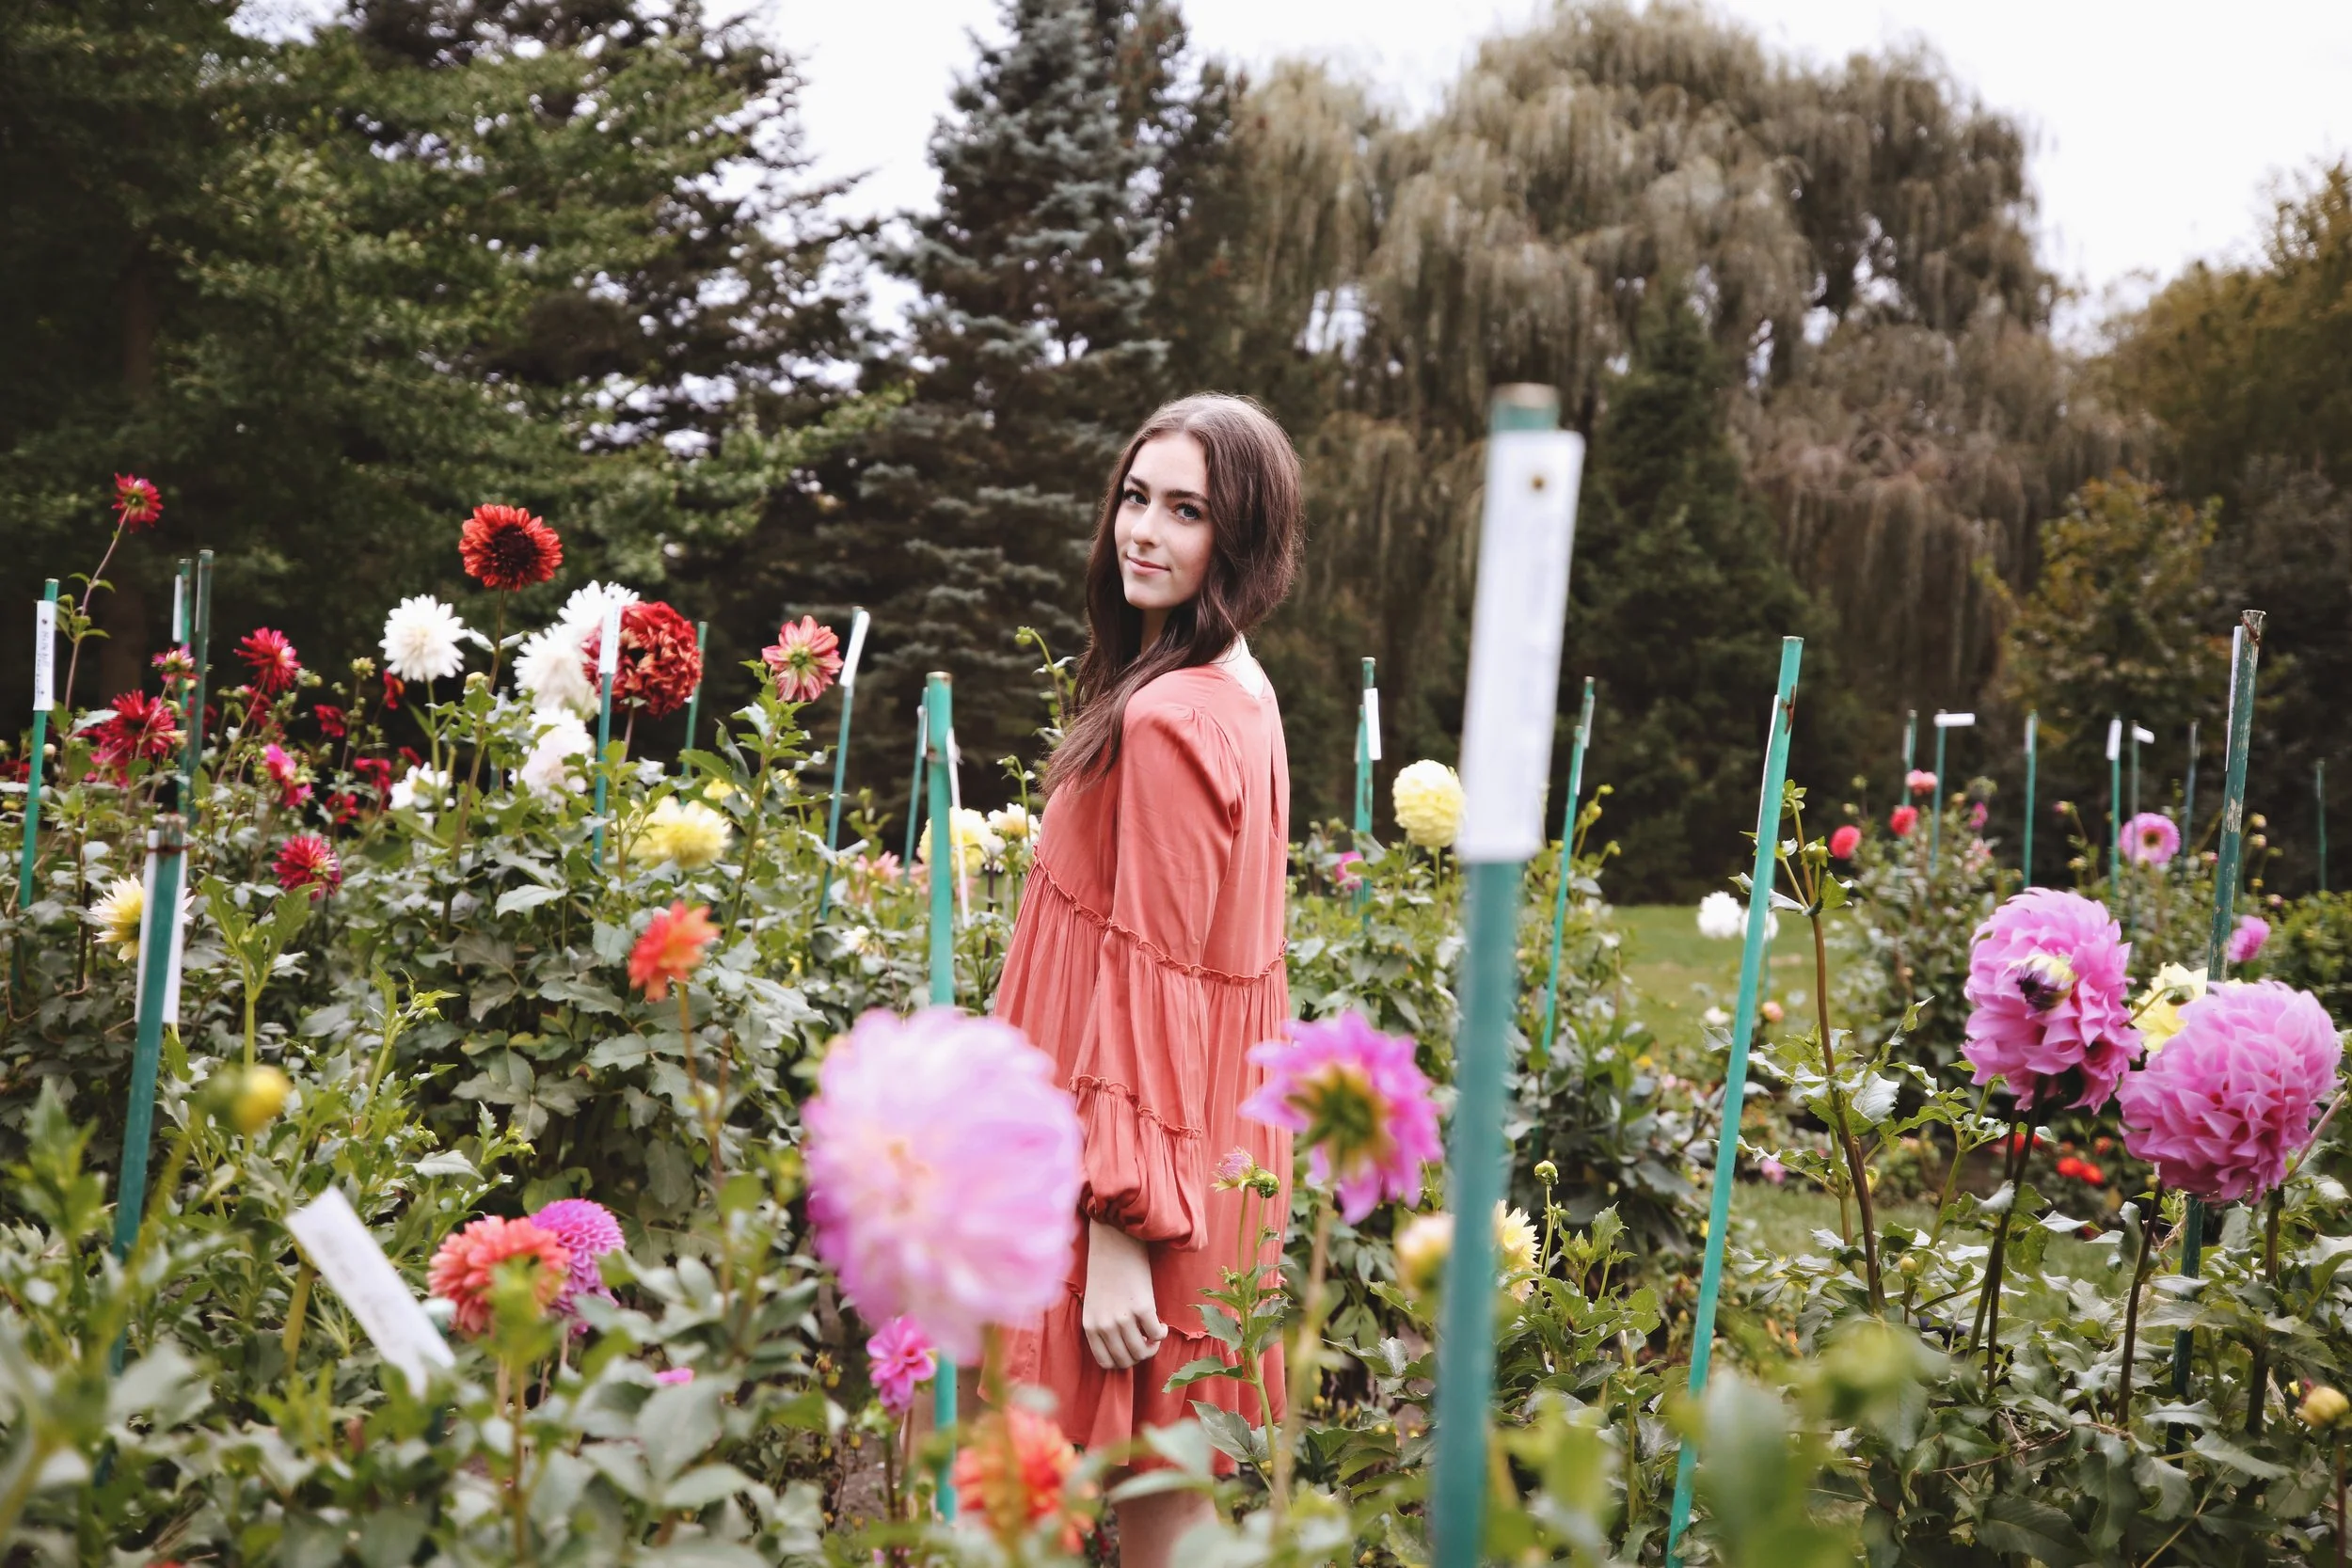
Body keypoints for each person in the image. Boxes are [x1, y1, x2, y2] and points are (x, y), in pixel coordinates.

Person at [992, 394, 1303, 1566]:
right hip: (1200, 1140)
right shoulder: (1236, 688)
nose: (1143, 531)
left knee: (1037, 1490)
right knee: (1166, 1492)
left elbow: (1155, 972)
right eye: (1135, 497)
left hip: (1130, 1164)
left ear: (1242, 538)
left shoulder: (1173, 714)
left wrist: (1118, 1224)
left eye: (1186, 511)